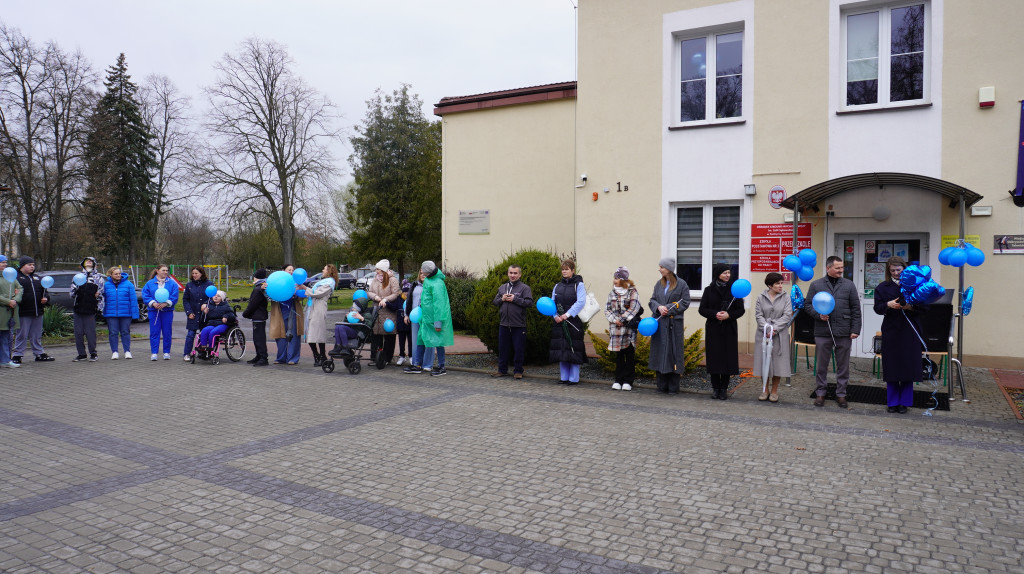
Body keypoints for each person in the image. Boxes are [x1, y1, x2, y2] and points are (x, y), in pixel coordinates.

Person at [804, 255, 862, 408]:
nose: (841, 270)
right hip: (822, 331)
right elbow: (808, 305)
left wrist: (855, 329)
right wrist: (818, 315)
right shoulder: (816, 285)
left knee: (843, 366)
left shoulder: (849, 285)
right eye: (838, 268)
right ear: (828, 268)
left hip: (844, 331)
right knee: (822, 365)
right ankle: (821, 393)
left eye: (842, 268)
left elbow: (856, 309)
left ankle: (841, 394)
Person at [873, 256, 927, 414]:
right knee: (892, 367)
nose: (896, 273)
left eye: (899, 270)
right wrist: (888, 305)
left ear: (905, 269)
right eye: (893, 271)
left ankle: (905, 402)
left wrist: (910, 307)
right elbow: (877, 308)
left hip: (910, 332)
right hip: (892, 331)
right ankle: (892, 402)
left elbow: (926, 309)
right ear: (888, 272)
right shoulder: (883, 287)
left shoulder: (916, 285)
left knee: (908, 367)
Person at [698, 264, 746, 400]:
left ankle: (724, 388)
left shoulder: (735, 290)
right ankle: (715, 388)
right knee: (714, 358)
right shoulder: (709, 290)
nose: (728, 275)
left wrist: (728, 315)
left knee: (727, 358)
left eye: (729, 273)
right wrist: (715, 314)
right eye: (725, 273)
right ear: (718, 274)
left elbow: (740, 310)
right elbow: (702, 309)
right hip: (713, 328)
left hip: (729, 328)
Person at [648, 257, 691, 394]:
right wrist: (658, 307)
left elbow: (685, 302)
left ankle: (673, 387)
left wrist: (667, 308)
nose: (659, 269)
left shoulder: (682, 284)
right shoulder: (658, 284)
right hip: (660, 324)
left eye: (662, 267)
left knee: (673, 354)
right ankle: (661, 386)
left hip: (674, 325)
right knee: (660, 353)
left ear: (669, 269)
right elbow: (652, 300)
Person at [753, 272, 794, 402]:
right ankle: (765, 389)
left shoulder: (786, 297)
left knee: (778, 363)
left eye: (782, 283)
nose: (781, 286)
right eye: (778, 283)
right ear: (770, 285)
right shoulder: (761, 297)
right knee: (764, 362)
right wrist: (766, 328)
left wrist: (774, 328)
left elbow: (787, 315)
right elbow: (758, 315)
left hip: (779, 334)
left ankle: (774, 391)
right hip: (763, 333)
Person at [549, 259, 587, 385]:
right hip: (559, 322)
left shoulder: (579, 285)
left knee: (573, 348)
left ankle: (574, 378)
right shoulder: (557, 286)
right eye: (563, 269)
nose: (564, 271)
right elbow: (552, 302)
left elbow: (581, 302)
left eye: (567, 269)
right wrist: (555, 316)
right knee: (561, 348)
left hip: (573, 321)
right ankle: (564, 377)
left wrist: (567, 315)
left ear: (572, 270)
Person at [491, 264, 533, 380]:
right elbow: (495, 302)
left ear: (520, 275)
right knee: (503, 348)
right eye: (511, 273)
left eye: (515, 273)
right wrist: (502, 299)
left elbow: (529, 303)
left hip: (519, 325)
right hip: (504, 324)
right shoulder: (502, 287)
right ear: (507, 274)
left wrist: (515, 299)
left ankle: (518, 371)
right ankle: (502, 370)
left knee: (519, 349)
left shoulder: (525, 288)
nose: (513, 275)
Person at [604, 266, 641, 391]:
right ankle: (618, 380)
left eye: (617, 278)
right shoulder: (612, 293)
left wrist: (623, 319)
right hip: (616, 329)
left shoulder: (632, 291)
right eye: (614, 278)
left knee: (629, 355)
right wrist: (615, 320)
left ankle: (628, 381)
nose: (615, 280)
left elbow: (634, 308)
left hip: (629, 329)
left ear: (623, 279)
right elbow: (607, 309)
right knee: (619, 356)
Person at [13, 256, 54, 363]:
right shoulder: (16, 278)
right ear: (22, 266)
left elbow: (45, 292)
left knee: (36, 335)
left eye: (33, 265)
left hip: (38, 312)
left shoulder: (37, 278)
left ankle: (39, 353)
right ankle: (17, 355)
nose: (32, 267)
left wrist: (46, 299)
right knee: (22, 334)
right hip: (23, 312)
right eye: (29, 265)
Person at [418, 260, 454, 376]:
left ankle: (441, 366)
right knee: (428, 339)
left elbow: (439, 304)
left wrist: (438, 323)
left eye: (423, 269)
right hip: (427, 318)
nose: (421, 271)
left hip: (435, 319)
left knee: (439, 342)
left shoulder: (437, 283)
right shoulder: (429, 280)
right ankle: (421, 364)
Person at [69, 257, 104, 362]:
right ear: (83, 264)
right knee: (78, 333)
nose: (88, 262)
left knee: (90, 333)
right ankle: (81, 354)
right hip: (78, 310)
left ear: (94, 264)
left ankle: (93, 353)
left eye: (91, 261)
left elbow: (102, 295)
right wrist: (76, 290)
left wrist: (99, 305)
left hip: (90, 310)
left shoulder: (99, 278)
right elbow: (71, 294)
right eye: (86, 261)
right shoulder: (77, 277)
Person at [142, 264, 179, 360]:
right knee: (154, 332)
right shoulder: (149, 283)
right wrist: (153, 303)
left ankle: (166, 352)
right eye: (163, 270)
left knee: (167, 332)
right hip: (154, 311)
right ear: (157, 271)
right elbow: (145, 295)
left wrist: (166, 303)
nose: (166, 272)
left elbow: (174, 296)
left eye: (167, 270)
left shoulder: (172, 284)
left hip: (167, 312)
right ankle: (154, 352)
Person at [367, 259, 400, 366]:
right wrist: (375, 297)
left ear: (383, 270)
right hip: (377, 310)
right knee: (376, 335)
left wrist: (385, 299)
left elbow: (395, 293)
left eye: (378, 269)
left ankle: (387, 358)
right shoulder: (375, 280)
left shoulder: (392, 280)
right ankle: (375, 357)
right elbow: (370, 292)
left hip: (388, 311)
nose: (376, 271)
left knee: (389, 336)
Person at [269, 264, 304, 364]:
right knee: (280, 335)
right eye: (289, 270)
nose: (291, 271)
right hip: (279, 311)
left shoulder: (296, 283)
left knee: (294, 334)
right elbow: (269, 294)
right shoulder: (275, 281)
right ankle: (281, 357)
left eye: (293, 270)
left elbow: (302, 296)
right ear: (283, 270)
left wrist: (296, 295)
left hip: (293, 311)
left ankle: (293, 358)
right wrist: (264, 288)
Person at [304, 264, 338, 367]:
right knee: (310, 333)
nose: (322, 270)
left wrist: (304, 288)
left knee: (318, 333)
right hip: (312, 307)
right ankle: (316, 355)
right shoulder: (323, 281)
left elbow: (318, 293)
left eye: (324, 269)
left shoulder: (330, 283)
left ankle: (322, 356)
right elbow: (313, 293)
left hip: (319, 308)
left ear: (329, 271)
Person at [103, 266, 139, 359]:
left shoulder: (129, 284)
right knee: (113, 333)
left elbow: (133, 300)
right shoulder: (106, 285)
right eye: (116, 274)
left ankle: (127, 351)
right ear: (111, 275)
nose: (118, 275)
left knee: (125, 332)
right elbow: (103, 299)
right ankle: (114, 352)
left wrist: (135, 314)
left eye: (119, 273)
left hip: (126, 314)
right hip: (111, 314)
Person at [182, 266, 214, 361]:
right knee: (191, 334)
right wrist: (189, 312)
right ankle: (186, 353)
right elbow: (185, 300)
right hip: (193, 313)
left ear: (201, 274)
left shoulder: (209, 284)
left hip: (205, 314)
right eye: (193, 273)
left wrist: (206, 305)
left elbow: (212, 297)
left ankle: (202, 352)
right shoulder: (189, 285)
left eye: (196, 273)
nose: (194, 275)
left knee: (203, 333)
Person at [242, 269, 270, 367]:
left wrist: (245, 313)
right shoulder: (260, 288)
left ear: (256, 277)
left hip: (259, 316)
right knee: (257, 337)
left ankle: (263, 357)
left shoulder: (258, 289)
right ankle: (259, 356)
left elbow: (253, 303)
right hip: (259, 315)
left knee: (259, 338)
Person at [402, 271, 428, 374]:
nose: (423, 275)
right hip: (414, 317)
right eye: (421, 273)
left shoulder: (429, 285)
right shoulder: (414, 285)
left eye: (425, 273)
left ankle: (425, 364)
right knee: (415, 341)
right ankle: (416, 363)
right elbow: (409, 300)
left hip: (425, 317)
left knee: (425, 340)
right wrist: (406, 314)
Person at [0, 256, 23, 368]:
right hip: (2, 312)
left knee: (6, 337)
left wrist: (15, 299)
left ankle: (4, 360)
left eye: (5, 262)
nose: (5, 265)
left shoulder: (12, 278)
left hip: (10, 313)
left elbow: (20, 289)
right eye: (2, 262)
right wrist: (7, 300)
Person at [395, 280, 412, 366]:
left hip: (409, 325)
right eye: (404, 291)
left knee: (410, 342)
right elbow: (394, 307)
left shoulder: (412, 300)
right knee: (401, 342)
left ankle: (411, 356)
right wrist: (386, 303)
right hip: (401, 325)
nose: (406, 293)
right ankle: (402, 355)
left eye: (407, 291)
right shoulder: (399, 299)